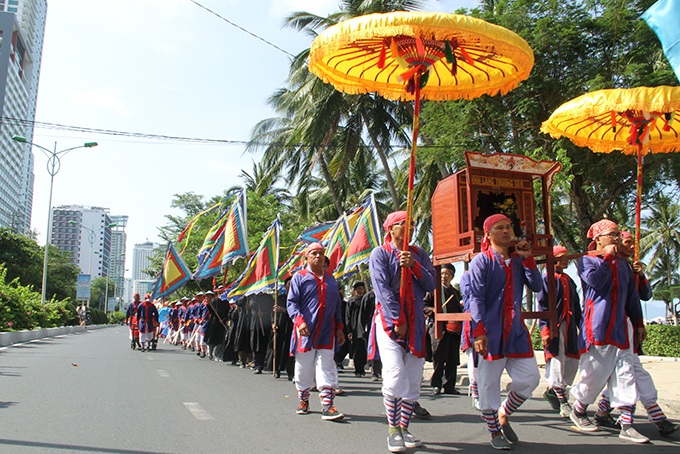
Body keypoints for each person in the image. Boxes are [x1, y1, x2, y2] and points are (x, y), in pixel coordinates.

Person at [569, 219, 648, 444]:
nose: (616, 238)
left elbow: (632, 297)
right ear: (598, 239)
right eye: (611, 234)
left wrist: (639, 323)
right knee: (595, 374)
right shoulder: (587, 261)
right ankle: (579, 408)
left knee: (626, 373)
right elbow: (598, 282)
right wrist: (607, 257)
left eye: (616, 234)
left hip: (622, 328)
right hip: (598, 327)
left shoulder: (623, 265)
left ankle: (627, 423)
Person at [469, 214, 542, 450]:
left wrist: (529, 259)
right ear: (488, 235)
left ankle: (504, 413)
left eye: (508, 227)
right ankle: (493, 432)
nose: (506, 231)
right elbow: (476, 298)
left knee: (530, 379)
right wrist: (479, 331)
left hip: (516, 331)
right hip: (491, 331)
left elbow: (538, 286)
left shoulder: (519, 261)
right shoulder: (481, 261)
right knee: (488, 384)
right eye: (499, 228)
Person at [593, 231, 677, 437]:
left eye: (633, 243)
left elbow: (643, 296)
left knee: (626, 372)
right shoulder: (606, 265)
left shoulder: (629, 268)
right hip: (609, 328)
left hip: (625, 328)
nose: (631, 247)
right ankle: (652, 418)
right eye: (627, 242)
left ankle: (606, 411)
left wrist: (640, 276)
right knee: (623, 373)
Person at [368, 211, 436, 452]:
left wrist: (414, 266)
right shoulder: (380, 253)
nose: (409, 227)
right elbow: (382, 289)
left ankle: (404, 427)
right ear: (390, 229)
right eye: (403, 224)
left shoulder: (419, 254)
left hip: (417, 321)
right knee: (395, 373)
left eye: (412, 223)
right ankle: (393, 429)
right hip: (389, 320)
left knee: (414, 378)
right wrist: (398, 318)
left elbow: (431, 284)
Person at [287, 242, 346, 421]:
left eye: (321, 253)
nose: (318, 256)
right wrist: (300, 322)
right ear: (307, 257)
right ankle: (303, 400)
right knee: (304, 368)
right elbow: (292, 303)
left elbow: (337, 306)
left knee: (327, 366)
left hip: (327, 331)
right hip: (305, 331)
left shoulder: (331, 279)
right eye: (314, 253)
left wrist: (340, 328)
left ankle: (328, 405)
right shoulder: (299, 277)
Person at [537, 246, 581, 417]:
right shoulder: (547, 278)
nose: (566, 260)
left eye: (567, 257)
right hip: (555, 325)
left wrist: (580, 326)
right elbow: (543, 305)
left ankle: (554, 391)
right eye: (562, 257)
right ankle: (563, 401)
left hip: (569, 326)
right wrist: (545, 329)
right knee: (556, 361)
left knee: (570, 361)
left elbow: (576, 305)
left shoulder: (569, 280)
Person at [424, 263, 463, 395]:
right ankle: (437, 384)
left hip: (453, 328)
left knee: (452, 357)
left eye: (447, 273)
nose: (444, 276)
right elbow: (423, 305)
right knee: (438, 356)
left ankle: (449, 385)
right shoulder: (434, 290)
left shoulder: (456, 292)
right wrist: (433, 310)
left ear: (452, 276)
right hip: (438, 328)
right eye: (441, 274)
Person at [459, 271, 479, 410]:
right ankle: (476, 393)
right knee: (473, 359)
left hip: (491, 321)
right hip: (473, 322)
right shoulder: (467, 276)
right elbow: (470, 292)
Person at [347, 281, 368, 377]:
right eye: (359, 289)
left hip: (364, 328)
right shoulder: (352, 301)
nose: (361, 291)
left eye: (362, 289)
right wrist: (349, 331)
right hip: (355, 328)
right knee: (357, 349)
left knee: (364, 349)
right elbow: (348, 317)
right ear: (355, 290)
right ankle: (358, 369)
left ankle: (362, 367)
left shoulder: (366, 300)